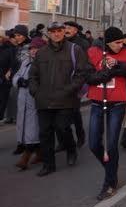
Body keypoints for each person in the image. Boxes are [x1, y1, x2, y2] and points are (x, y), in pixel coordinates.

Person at [87, 27, 126, 200]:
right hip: (97, 103)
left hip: (117, 103)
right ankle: (110, 169)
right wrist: (104, 73)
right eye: (117, 42)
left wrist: (118, 66)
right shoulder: (94, 52)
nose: (121, 44)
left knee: (111, 145)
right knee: (94, 143)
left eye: (122, 41)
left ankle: (109, 182)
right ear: (108, 42)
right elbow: (86, 77)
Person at [28, 22, 88, 176]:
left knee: (62, 128)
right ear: (48, 33)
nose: (56, 34)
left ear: (64, 31)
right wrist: (35, 91)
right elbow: (33, 74)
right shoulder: (41, 53)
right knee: (45, 133)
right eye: (53, 31)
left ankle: (71, 149)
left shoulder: (75, 50)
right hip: (44, 99)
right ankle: (49, 164)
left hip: (66, 99)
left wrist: (69, 90)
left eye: (59, 31)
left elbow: (81, 74)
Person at [13, 37, 45, 170]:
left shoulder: (44, 64)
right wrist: (19, 81)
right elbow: (16, 76)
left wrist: (32, 85)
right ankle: (40, 154)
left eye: (36, 48)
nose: (33, 51)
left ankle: (25, 157)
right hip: (23, 100)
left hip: (34, 100)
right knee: (26, 128)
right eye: (32, 48)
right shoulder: (25, 62)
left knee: (33, 129)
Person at [64, 21, 89, 148]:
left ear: (75, 30)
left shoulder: (82, 44)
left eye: (69, 28)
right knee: (61, 113)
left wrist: (80, 82)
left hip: (76, 82)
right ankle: (64, 141)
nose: (66, 30)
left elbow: (84, 64)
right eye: (65, 27)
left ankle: (80, 136)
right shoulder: (61, 42)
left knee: (74, 111)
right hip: (62, 82)